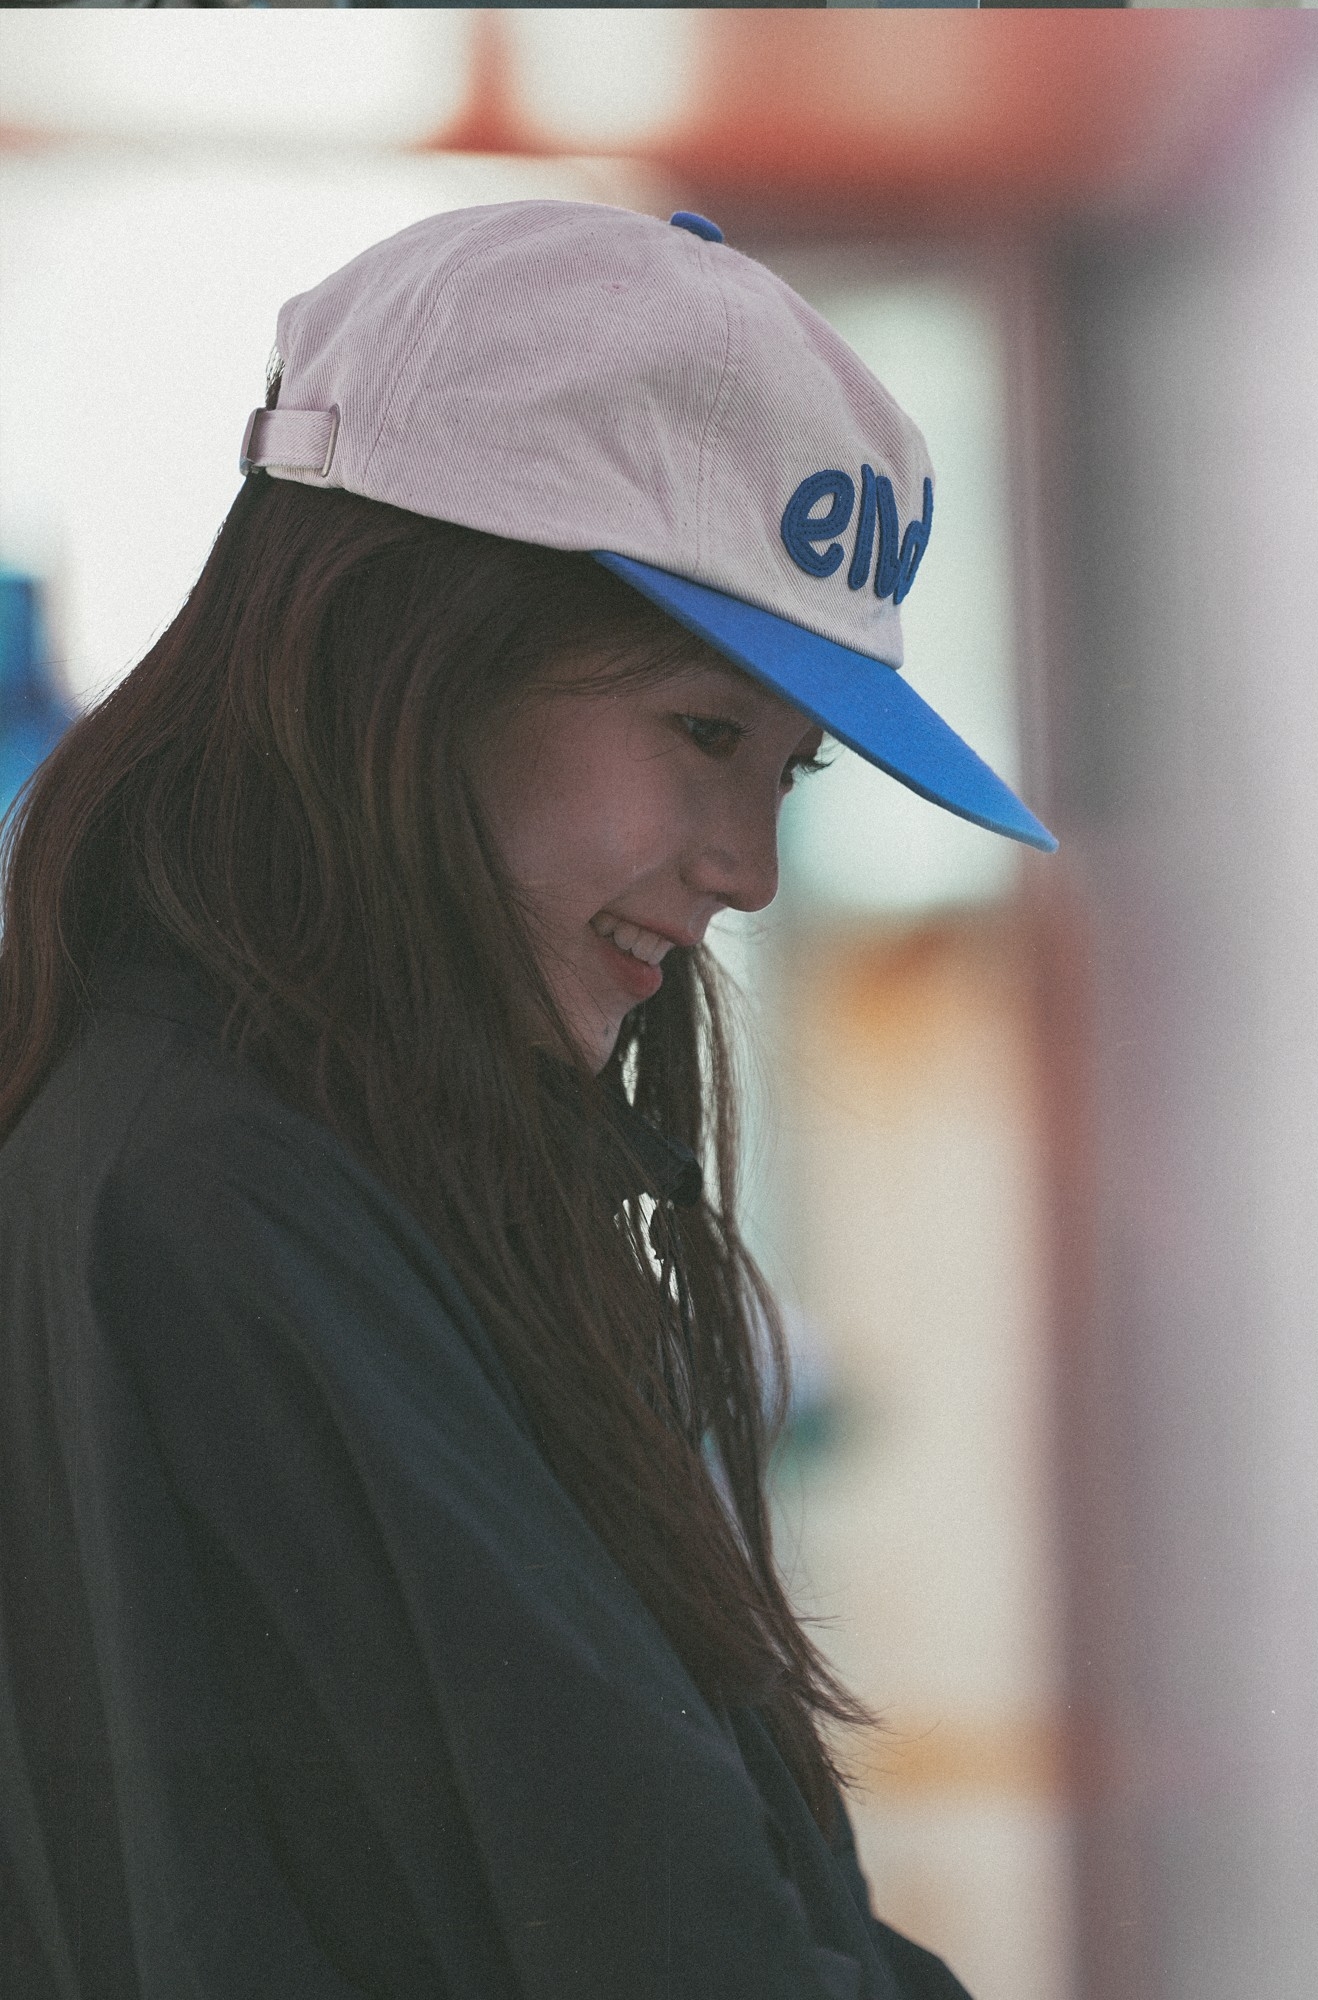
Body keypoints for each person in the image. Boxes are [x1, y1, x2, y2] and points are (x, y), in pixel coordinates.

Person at [0, 201, 1055, 1999]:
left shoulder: (298, 1158)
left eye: (790, 771)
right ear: (408, 652)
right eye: (702, 733)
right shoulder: (232, 1192)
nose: (747, 869)